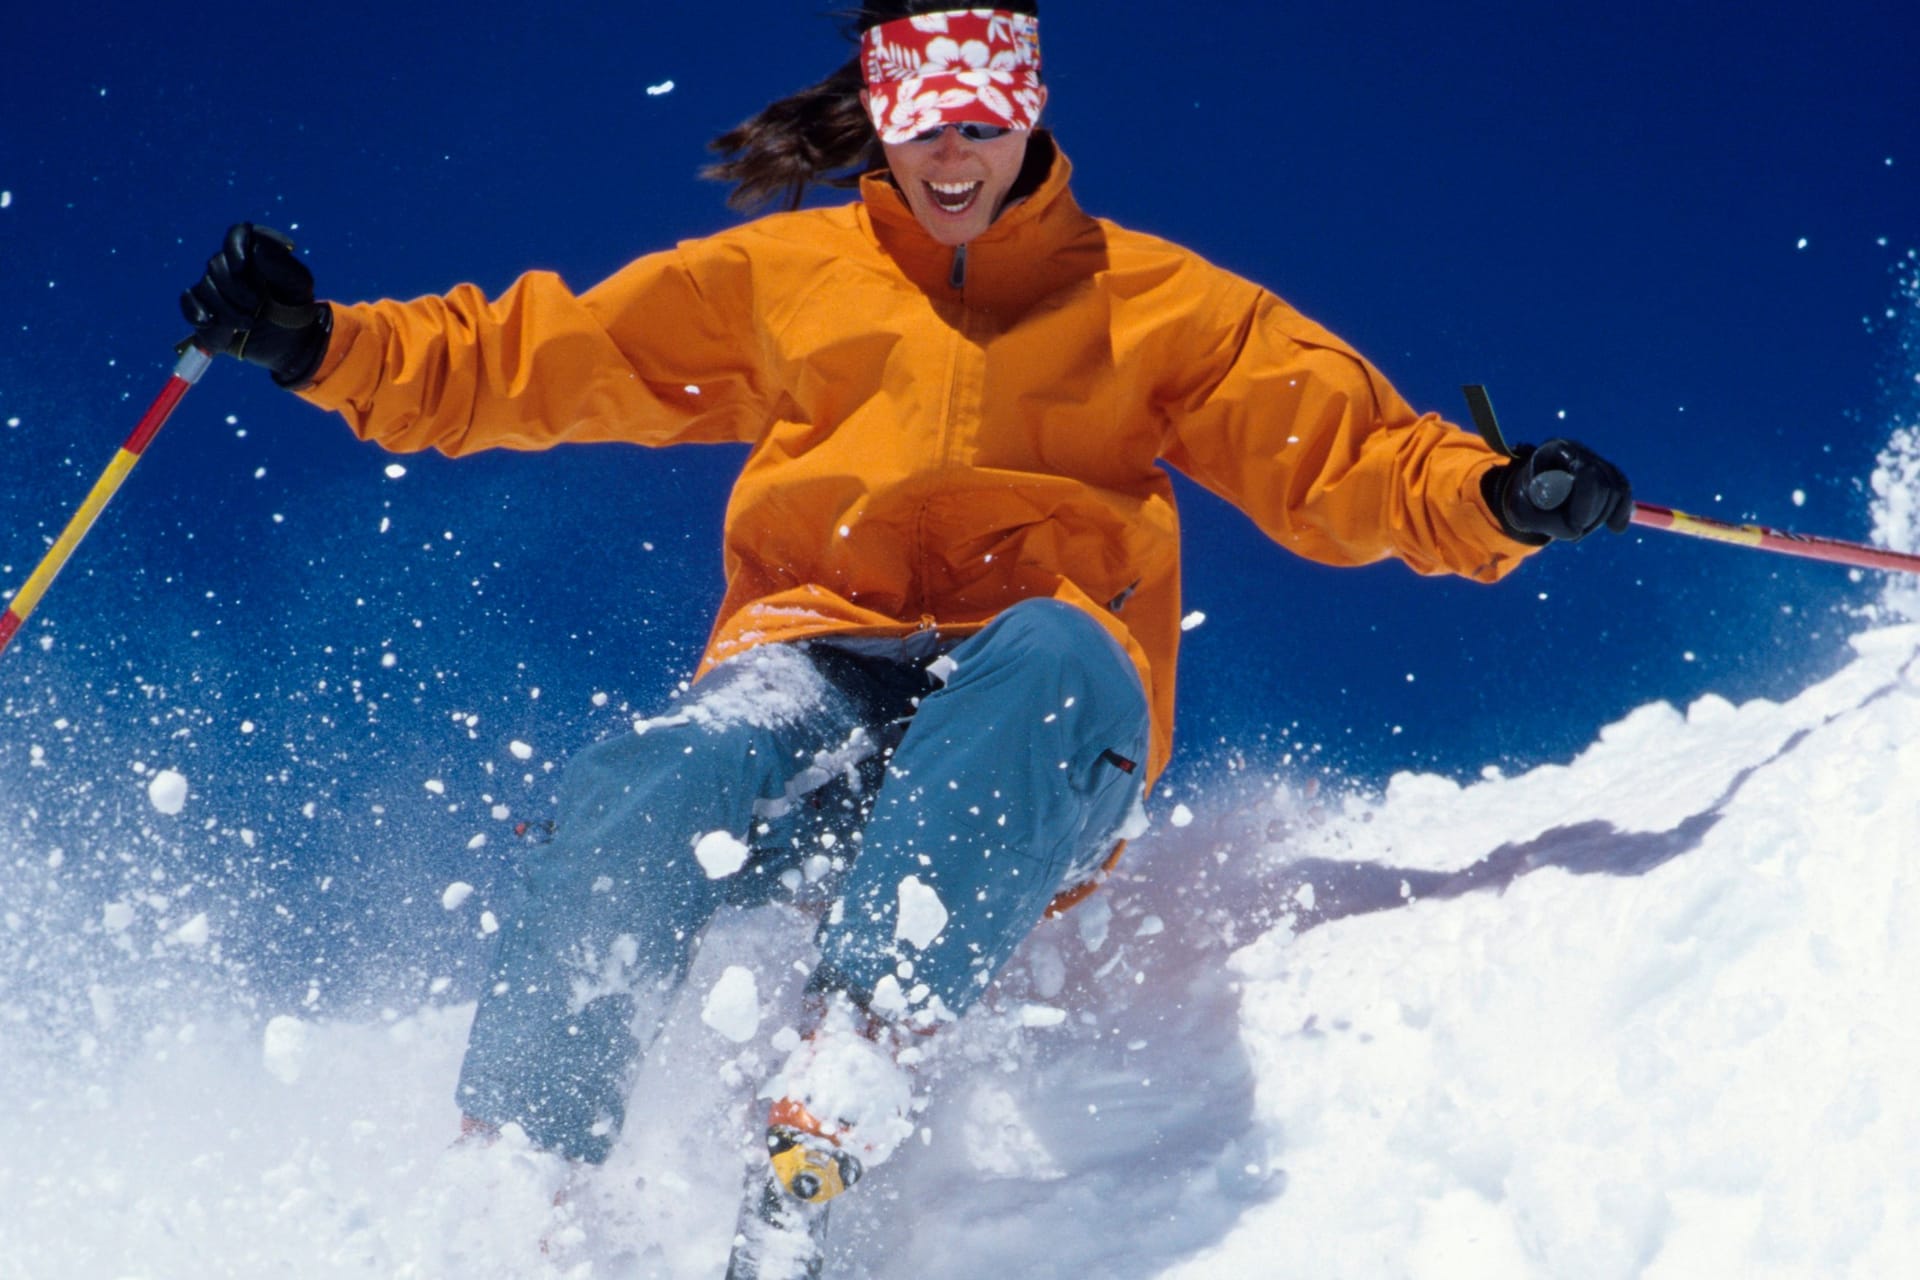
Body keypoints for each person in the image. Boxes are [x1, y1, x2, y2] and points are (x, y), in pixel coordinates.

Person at [182, 0, 1630, 1213]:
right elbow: (543, 357)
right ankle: (514, 1188)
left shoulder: (1157, 304)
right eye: (926, 125)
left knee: (1065, 641)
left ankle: (843, 1078)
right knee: (665, 769)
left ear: (1030, 119)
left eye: (980, 125)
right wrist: (325, 345)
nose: (953, 156)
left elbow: (1346, 452)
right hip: (816, 680)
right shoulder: (787, 279)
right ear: (881, 122)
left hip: (1027, 740)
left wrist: (1492, 499)